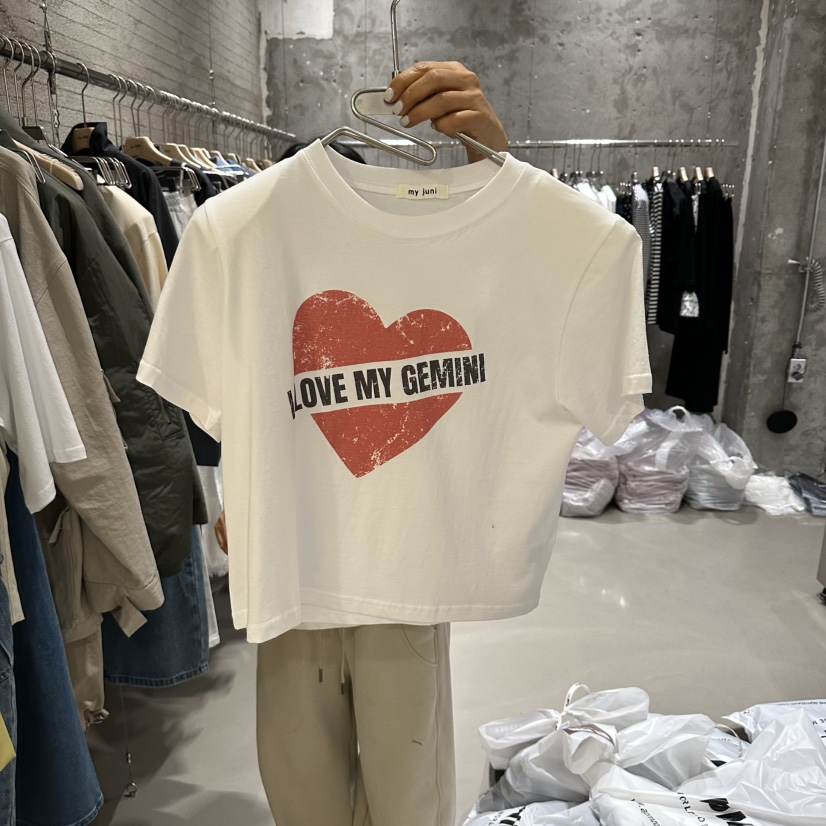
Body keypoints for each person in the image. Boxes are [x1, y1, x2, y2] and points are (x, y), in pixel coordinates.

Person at [214, 61, 509, 826]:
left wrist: (492, 158)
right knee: (301, 789)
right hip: (292, 567)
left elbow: (510, 291)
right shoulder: (252, 257)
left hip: (403, 565)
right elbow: (234, 397)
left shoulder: (430, 256)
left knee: (406, 790)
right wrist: (236, 493)